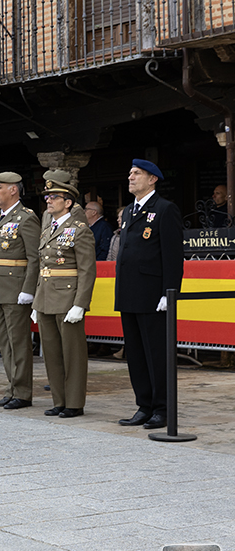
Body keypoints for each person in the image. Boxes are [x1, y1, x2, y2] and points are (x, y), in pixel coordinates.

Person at [115, 159, 184, 430]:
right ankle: (144, 405)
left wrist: (170, 293)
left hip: (154, 295)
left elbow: (173, 256)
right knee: (136, 354)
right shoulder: (129, 211)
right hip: (129, 293)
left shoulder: (165, 209)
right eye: (130, 173)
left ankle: (163, 409)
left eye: (137, 173)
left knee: (157, 355)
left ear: (152, 179)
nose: (130, 177)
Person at [33, 179, 97, 419]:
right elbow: (43, 266)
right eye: (47, 197)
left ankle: (74, 402)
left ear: (68, 202)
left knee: (72, 354)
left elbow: (87, 270)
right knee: (51, 353)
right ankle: (59, 400)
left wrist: (80, 304)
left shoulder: (80, 230)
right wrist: (36, 300)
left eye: (54, 197)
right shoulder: (48, 229)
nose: (48, 200)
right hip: (46, 298)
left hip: (68, 299)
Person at [0, 172, 41, 410]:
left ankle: (23, 392)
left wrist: (28, 289)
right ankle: (12, 388)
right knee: (5, 343)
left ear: (13, 190)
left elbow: (34, 257)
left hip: (16, 288)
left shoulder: (26, 218)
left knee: (18, 342)